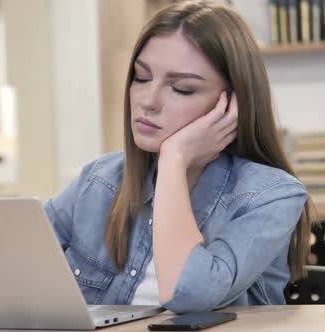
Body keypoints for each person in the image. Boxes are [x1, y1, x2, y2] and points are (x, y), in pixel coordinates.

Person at [44, 0, 315, 314]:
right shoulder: (99, 179)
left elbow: (189, 295)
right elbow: (12, 256)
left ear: (231, 106)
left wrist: (174, 159)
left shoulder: (272, 196)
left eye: (182, 89)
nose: (148, 100)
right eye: (141, 78)